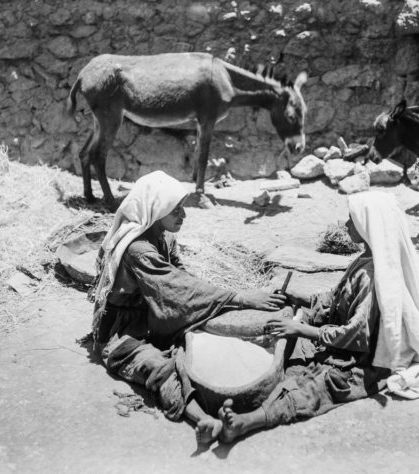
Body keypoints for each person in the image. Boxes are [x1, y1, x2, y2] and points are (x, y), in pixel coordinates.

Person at [201, 190, 419, 443]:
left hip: (362, 359)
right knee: (289, 357)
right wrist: (298, 298)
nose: (346, 225)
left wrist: (302, 330)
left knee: (320, 384)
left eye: (351, 220)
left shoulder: (372, 276)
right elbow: (336, 299)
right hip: (337, 339)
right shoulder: (364, 260)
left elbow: (358, 335)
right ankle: (247, 405)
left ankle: (250, 420)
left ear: (367, 225)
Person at [90, 170, 285, 444]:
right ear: (157, 209)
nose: (183, 215)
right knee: (162, 368)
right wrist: (239, 297)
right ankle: (201, 418)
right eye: (176, 209)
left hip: (151, 318)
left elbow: (183, 281)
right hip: (124, 333)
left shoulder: (164, 237)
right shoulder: (138, 250)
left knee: (204, 337)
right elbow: (175, 288)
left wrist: (218, 303)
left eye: (182, 208)